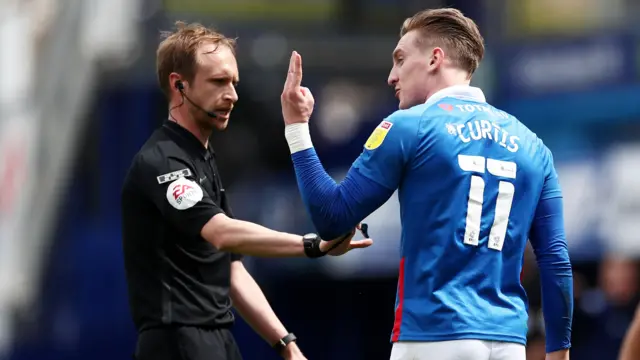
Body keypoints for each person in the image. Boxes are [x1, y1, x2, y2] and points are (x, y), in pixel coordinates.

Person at [280, 8, 573, 360]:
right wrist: (559, 352)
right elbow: (555, 260)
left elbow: (331, 215)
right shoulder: (533, 146)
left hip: (433, 336)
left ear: (435, 59)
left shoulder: (408, 126)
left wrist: (296, 128)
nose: (391, 76)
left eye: (400, 59)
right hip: (509, 342)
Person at [120, 21, 372, 360]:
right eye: (219, 82)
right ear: (179, 86)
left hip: (215, 340)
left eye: (234, 83)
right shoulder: (163, 161)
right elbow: (223, 234)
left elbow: (231, 270)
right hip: (177, 342)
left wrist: (287, 346)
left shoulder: (202, 161)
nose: (233, 95)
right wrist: (313, 245)